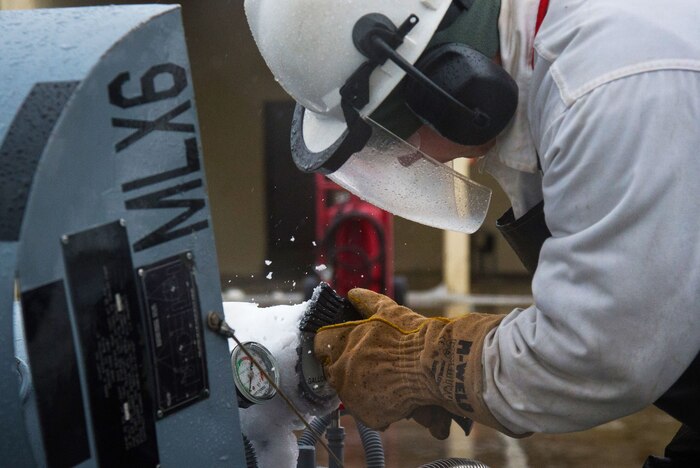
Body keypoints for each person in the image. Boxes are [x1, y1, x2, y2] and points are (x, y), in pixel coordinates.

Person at [244, 0, 700, 464]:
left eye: (391, 135)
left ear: (453, 86)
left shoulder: (607, 85)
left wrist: (424, 365)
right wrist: (440, 363)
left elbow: (603, 353)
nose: (403, 158)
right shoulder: (556, 71)